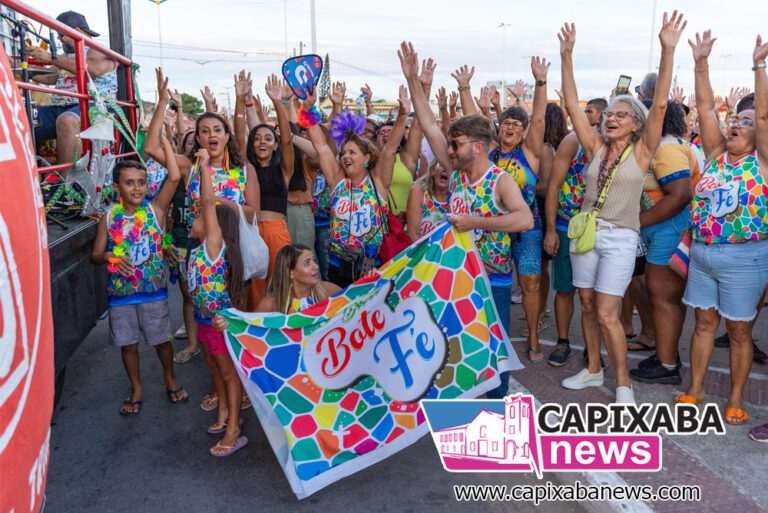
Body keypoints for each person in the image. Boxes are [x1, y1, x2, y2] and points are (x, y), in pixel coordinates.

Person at [557, 12, 686, 405]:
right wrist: (566, 57)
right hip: (586, 234)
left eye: (621, 114)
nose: (611, 117)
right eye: (610, 113)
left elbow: (661, 102)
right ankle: (593, 369)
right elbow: (574, 108)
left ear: (636, 124)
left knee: (609, 311)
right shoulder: (595, 148)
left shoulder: (643, 152)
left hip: (621, 237)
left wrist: (667, 50)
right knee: (587, 303)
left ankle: (624, 384)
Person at [399, 41, 533, 398]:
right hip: (456, 280)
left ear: (477, 146)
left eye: (456, 143)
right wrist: (414, 81)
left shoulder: (500, 180)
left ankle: (497, 426)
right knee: (457, 354)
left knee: (494, 359)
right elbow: (427, 121)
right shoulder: (456, 172)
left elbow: (525, 220)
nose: (450, 149)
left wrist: (476, 221)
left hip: (493, 283)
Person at [675, 30, 768, 428]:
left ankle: (734, 399)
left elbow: (762, 116)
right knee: (704, 324)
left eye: (745, 122)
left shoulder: (762, 161)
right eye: (735, 120)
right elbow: (707, 108)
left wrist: (758, 66)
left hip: (744, 255)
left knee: (740, 331)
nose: (735, 125)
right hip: (703, 252)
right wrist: (700, 63)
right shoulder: (714, 154)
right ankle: (694, 390)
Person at [90, 140, 187, 416]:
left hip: (153, 293)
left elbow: (175, 175)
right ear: (117, 187)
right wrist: (110, 257)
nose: (137, 188)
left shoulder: (155, 210)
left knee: (161, 340)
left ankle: (169, 377)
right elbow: (95, 255)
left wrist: (166, 140)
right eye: (130, 183)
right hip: (121, 296)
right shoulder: (109, 218)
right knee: (127, 344)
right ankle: (137, 387)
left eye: (141, 182)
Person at [301, 83, 409, 288]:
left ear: (367, 157)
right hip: (337, 266)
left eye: (352, 152)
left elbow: (390, 149)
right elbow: (321, 146)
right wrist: (307, 110)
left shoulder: (378, 182)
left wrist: (402, 115)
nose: (346, 156)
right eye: (344, 153)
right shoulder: (337, 181)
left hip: (374, 268)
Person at [482, 60, 549, 362]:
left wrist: (540, 84)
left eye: (515, 125)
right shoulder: (490, 153)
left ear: (523, 133)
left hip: (527, 229)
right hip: (492, 230)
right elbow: (475, 121)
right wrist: (469, 92)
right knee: (491, 283)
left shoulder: (530, 153)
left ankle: (533, 336)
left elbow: (538, 120)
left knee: (531, 282)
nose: (509, 128)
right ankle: (489, 333)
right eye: (505, 123)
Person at [629, 101, 698, 385]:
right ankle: (666, 353)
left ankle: (668, 365)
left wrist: (640, 221)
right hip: (665, 228)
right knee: (667, 298)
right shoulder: (670, 145)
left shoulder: (667, 148)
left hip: (668, 229)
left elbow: (681, 194)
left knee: (663, 296)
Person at [188, 147, 249, 456]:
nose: (196, 217)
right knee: (213, 365)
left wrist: (202, 167)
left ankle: (235, 427)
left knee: (228, 372)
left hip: (218, 322)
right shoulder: (198, 250)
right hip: (203, 319)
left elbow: (209, 202)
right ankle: (223, 410)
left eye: (201, 216)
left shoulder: (215, 247)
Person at [543, 98, 606, 366]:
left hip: (601, 229)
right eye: (588, 111)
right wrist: (550, 231)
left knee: (593, 297)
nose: (592, 116)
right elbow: (554, 187)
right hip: (566, 226)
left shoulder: (618, 146)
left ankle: (592, 350)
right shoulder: (572, 142)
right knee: (565, 289)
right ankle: (562, 341)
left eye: (593, 112)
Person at [29, 11, 117, 173]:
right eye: (58, 35)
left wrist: (50, 57)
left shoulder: (97, 50)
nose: (60, 39)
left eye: (62, 34)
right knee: (24, 118)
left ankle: (66, 185)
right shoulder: (66, 56)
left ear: (77, 30)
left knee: (67, 120)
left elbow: (93, 69)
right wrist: (15, 66)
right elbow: (50, 78)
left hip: (94, 107)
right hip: (60, 107)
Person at [236, 74, 295, 305]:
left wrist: (278, 103)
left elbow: (289, 140)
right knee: (253, 288)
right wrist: (240, 99)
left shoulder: (285, 169)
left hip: (276, 231)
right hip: (250, 231)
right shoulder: (245, 167)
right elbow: (239, 134)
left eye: (268, 138)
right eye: (257, 138)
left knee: (280, 283)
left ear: (275, 144)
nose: (262, 142)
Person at [406, 160, 450, 241]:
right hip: (420, 250)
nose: (445, 170)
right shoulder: (418, 191)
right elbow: (413, 234)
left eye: (450, 167)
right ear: (432, 171)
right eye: (442, 165)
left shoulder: (457, 196)